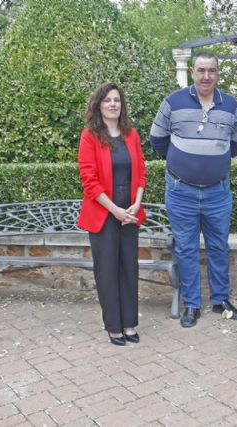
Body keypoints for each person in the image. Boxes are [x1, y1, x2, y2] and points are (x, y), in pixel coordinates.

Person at [149, 51, 237, 328]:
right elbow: (157, 140)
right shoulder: (173, 102)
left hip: (218, 192)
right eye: (201, 70)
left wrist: (212, 161)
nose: (206, 76)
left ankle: (220, 300)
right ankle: (191, 304)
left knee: (218, 246)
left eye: (212, 71)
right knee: (186, 249)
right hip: (181, 192)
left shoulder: (231, 105)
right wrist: (183, 162)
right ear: (193, 71)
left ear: (217, 73)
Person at [77, 82, 146, 345]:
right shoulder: (89, 136)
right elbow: (89, 181)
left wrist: (136, 205)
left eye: (117, 100)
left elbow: (140, 172)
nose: (113, 104)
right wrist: (115, 210)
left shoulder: (132, 135)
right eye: (107, 100)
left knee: (129, 268)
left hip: (130, 213)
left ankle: (129, 323)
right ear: (99, 105)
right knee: (107, 271)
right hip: (104, 214)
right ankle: (114, 326)